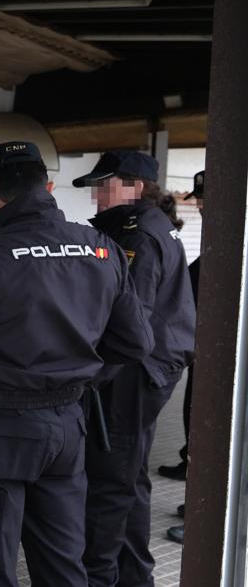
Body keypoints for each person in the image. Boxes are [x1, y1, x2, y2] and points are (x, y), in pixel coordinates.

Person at [0, 141, 153, 587]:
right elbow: (137, 342)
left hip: (0, 426)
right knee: (64, 561)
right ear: (47, 187)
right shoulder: (101, 248)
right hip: (69, 425)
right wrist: (83, 372)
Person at [76, 152, 196, 586]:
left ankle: (98, 578)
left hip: (133, 371)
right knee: (129, 477)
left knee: (108, 482)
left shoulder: (138, 238)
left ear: (136, 187)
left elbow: (130, 326)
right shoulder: (147, 227)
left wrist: (85, 377)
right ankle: (134, 575)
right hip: (148, 367)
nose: (97, 193)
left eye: (105, 184)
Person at [166, 169, 205, 545]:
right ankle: (199, 504)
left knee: (215, 432)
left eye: (203, 197)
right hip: (206, 351)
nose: (198, 203)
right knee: (197, 421)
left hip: (226, 358)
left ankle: (208, 519)